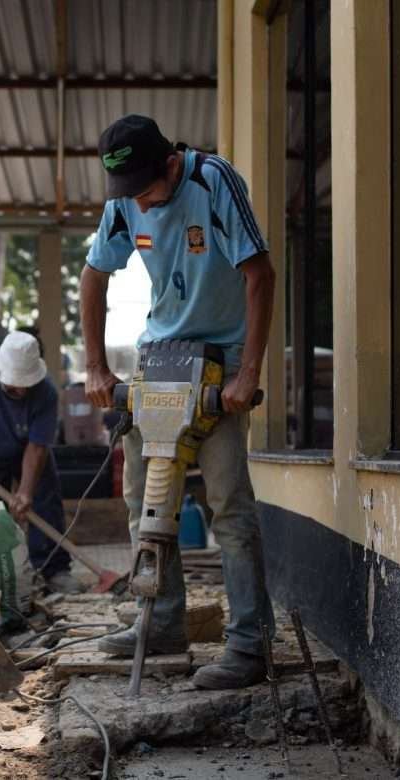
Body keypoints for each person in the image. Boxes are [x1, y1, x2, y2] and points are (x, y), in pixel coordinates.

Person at [80, 114, 278, 689]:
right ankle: (161, 622)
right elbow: (94, 276)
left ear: (170, 162)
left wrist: (247, 373)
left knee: (228, 506)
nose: (139, 200)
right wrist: (96, 366)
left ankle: (248, 644)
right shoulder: (124, 199)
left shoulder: (214, 181)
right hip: (159, 355)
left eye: (147, 186)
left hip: (219, 357)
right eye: (129, 190)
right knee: (147, 501)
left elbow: (259, 274)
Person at [0, 331, 82, 593]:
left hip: (26, 450)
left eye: (26, 384)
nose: (20, 390)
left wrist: (26, 491)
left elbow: (37, 446)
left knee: (44, 499)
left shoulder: (46, 392)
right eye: (14, 384)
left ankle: (53, 568)